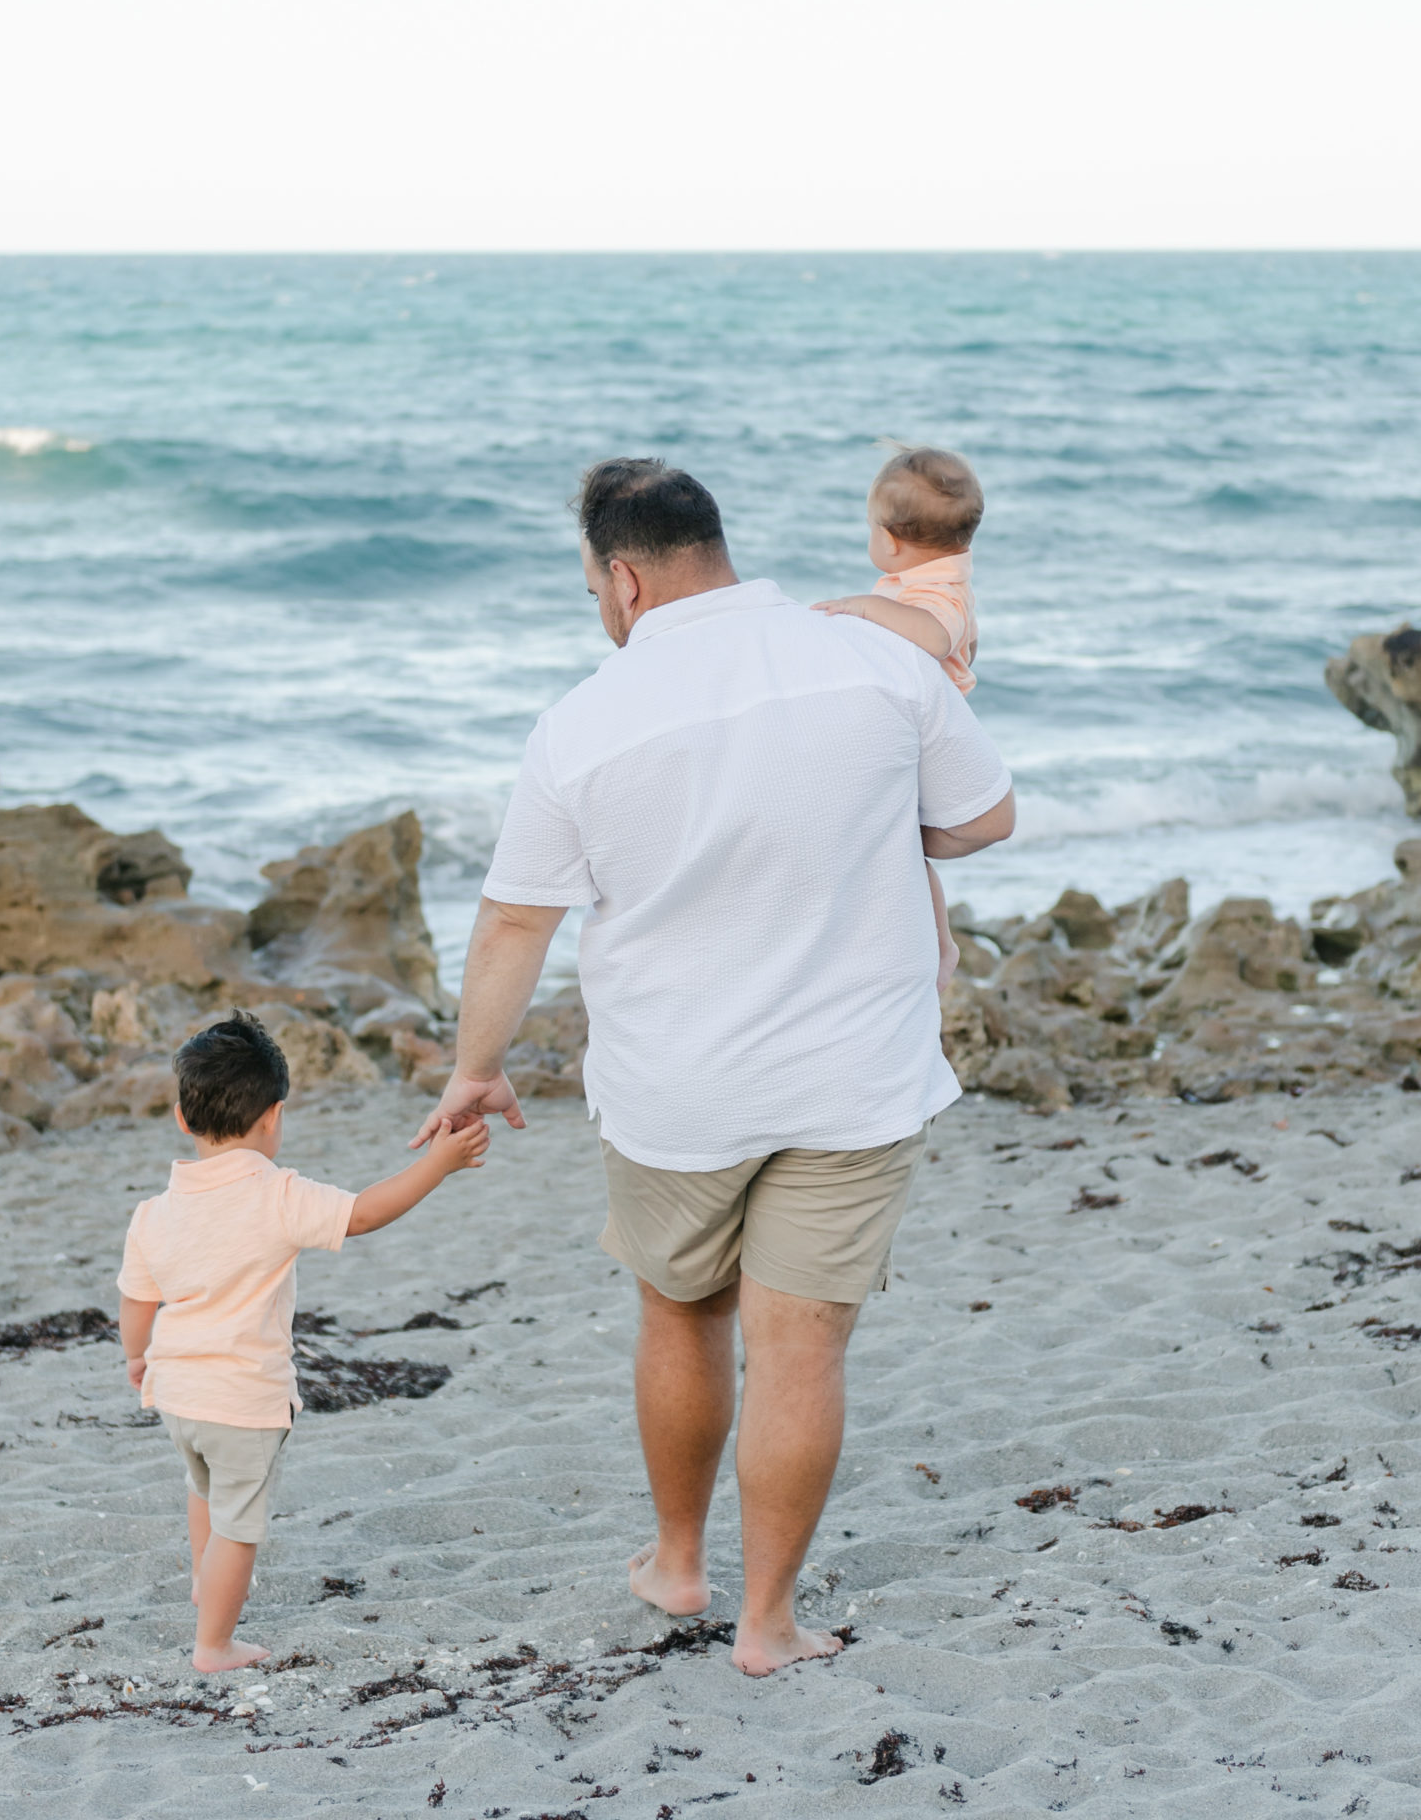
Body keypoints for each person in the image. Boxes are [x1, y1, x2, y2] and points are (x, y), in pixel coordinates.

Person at [413, 456, 1014, 1677]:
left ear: (622, 579)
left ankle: (679, 1563)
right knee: (802, 1346)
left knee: (681, 1314)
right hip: (853, 1074)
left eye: (593, 587)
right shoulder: (875, 659)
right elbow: (981, 817)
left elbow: (513, 923)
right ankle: (767, 1623)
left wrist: (474, 1070)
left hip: (676, 1090)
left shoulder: (583, 722)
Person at [117, 1011, 488, 1672]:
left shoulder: (153, 1212)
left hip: (176, 1395)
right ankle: (215, 1644)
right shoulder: (277, 1195)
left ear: (182, 1117)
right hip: (243, 1402)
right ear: (273, 1116)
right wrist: (440, 1164)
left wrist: (137, 1357)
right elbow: (365, 1211)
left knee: (202, 1488)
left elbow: (136, 1299)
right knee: (239, 1522)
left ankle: (206, 1585)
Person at [814, 446, 984, 993]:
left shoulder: (941, 591)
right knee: (894, 843)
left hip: (930, 740)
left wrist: (864, 607)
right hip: (915, 729)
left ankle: (939, 945)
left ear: (889, 540)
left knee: (903, 846)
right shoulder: (934, 578)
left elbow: (935, 634)